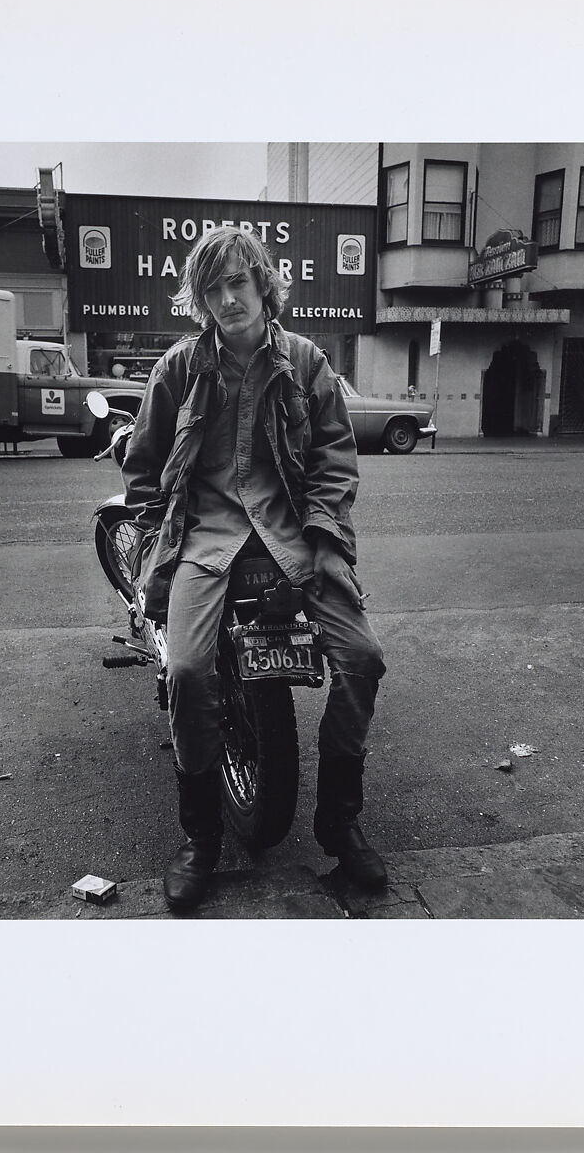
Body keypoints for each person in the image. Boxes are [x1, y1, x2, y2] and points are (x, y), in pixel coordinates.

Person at [120, 227, 387, 912]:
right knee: (184, 670)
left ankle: (339, 822)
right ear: (201, 300)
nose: (228, 298)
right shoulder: (178, 369)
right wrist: (156, 550)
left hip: (293, 537)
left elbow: (333, 460)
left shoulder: (305, 362)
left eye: (238, 282)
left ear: (264, 284)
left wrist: (328, 541)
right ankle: (201, 838)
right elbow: (145, 472)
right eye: (213, 288)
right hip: (203, 541)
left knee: (362, 656)